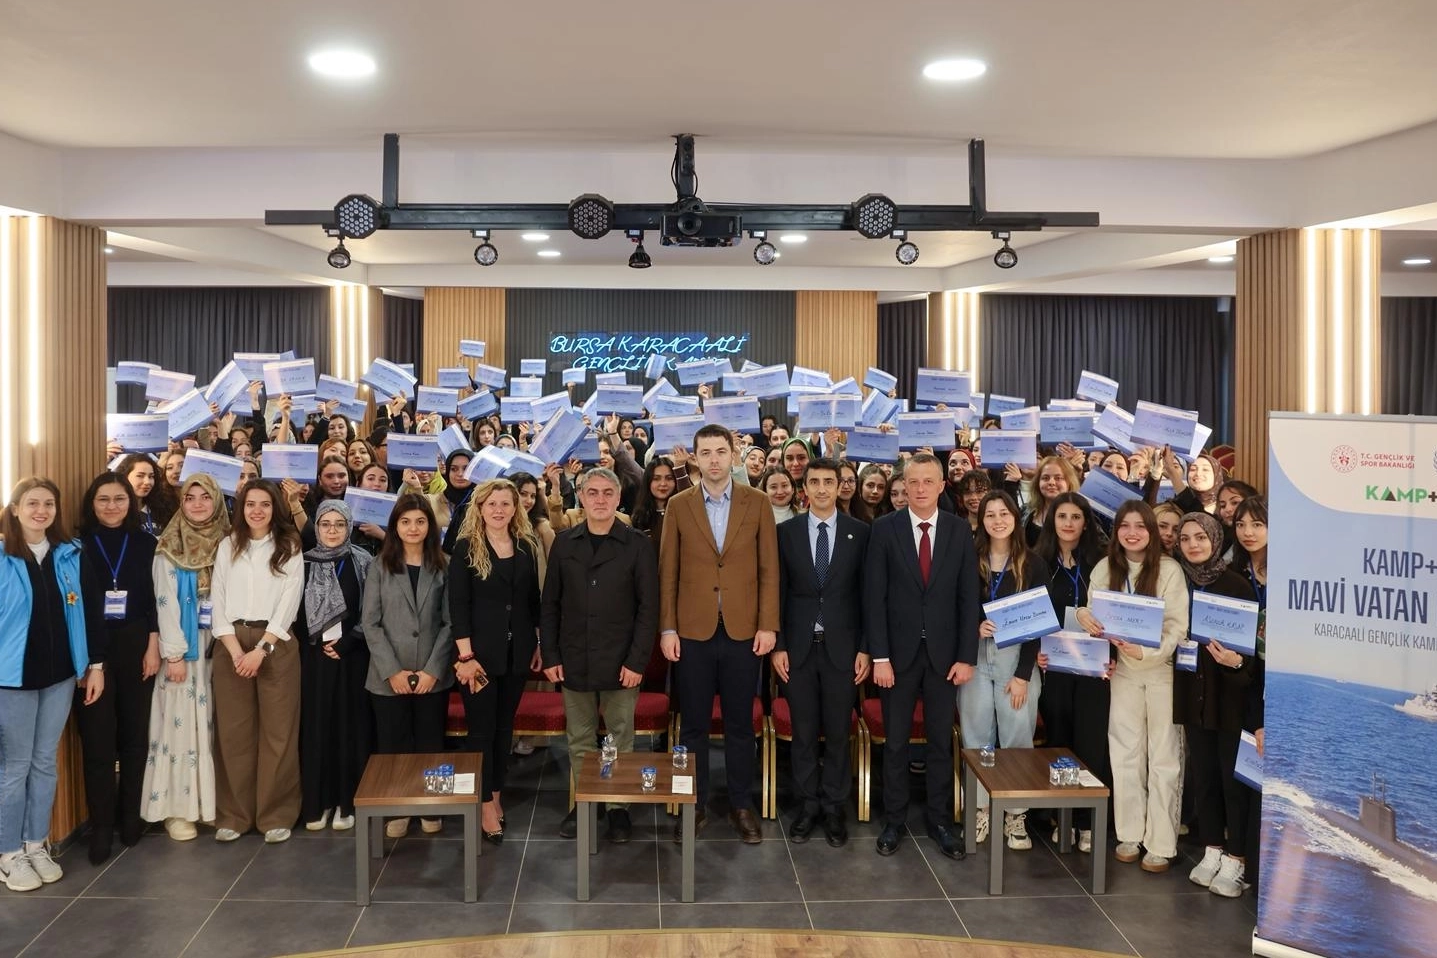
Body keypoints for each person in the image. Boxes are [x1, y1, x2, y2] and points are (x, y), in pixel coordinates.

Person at [659, 423, 780, 844]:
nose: (714, 460)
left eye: (721, 451)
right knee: (692, 725)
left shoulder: (757, 502)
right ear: (695, 458)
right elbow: (668, 572)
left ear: (733, 455)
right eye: (706, 452)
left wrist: (768, 624)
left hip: (744, 630)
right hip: (692, 631)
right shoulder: (679, 505)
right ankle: (692, 804)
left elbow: (769, 569)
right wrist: (668, 628)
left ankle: (741, 804)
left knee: (740, 725)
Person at [863, 453, 980, 860]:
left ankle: (940, 821)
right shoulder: (884, 528)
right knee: (895, 743)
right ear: (904, 485)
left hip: (945, 658)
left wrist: (966, 657)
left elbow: (968, 597)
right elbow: (874, 598)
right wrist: (879, 656)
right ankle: (894, 821)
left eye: (928, 481)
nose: (920, 489)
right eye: (913, 482)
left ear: (942, 485)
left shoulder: (958, 530)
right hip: (897, 657)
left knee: (939, 743)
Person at [542, 468, 659, 842]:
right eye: (592, 492)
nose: (600, 499)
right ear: (580, 496)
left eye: (608, 492)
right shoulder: (564, 543)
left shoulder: (637, 544)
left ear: (619, 498)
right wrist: (550, 655)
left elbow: (648, 609)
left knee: (620, 738)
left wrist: (637, 661)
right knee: (580, 738)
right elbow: (550, 604)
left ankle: (617, 806)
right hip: (574, 656)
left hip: (621, 659)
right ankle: (586, 801)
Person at [0, 478, 105, 893]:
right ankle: (9, 854)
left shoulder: (70, 554)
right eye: (32, 503)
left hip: (61, 675)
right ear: (15, 508)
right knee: (15, 767)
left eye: (48, 503)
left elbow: (92, 613)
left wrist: (95, 666)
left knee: (44, 762)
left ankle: (35, 843)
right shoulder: (3, 556)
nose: (40, 511)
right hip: (13, 679)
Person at [1076, 501, 1188, 874]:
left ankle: (1161, 842)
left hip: (1161, 672)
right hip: (1122, 671)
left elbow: (1177, 627)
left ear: (1152, 531)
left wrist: (1147, 651)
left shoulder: (1169, 570)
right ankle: (1129, 834)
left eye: (1141, 526)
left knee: (1164, 757)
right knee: (1124, 753)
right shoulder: (1105, 568)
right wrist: (1084, 616)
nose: (1132, 533)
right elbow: (1092, 613)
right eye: (1125, 525)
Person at [773, 458, 870, 848]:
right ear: (805, 489)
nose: (822, 489)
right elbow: (777, 593)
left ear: (839, 485)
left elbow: (868, 596)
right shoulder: (786, 533)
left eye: (829, 481)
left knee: (838, 733)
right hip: (797, 649)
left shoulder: (860, 532)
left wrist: (865, 649)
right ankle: (807, 805)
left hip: (843, 651)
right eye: (814, 482)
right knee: (803, 733)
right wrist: (778, 645)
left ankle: (833, 808)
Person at [209, 479, 305, 843]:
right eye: (250, 504)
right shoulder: (228, 545)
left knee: (278, 732)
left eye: (265, 504)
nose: (257, 511)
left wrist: (261, 649)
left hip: (275, 641)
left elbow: (289, 602)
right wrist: (236, 651)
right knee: (234, 732)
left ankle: (275, 814)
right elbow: (217, 599)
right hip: (232, 641)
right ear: (241, 507)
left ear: (275, 507)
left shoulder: (289, 545)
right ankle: (235, 815)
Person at [449, 479, 543, 844]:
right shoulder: (465, 547)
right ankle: (484, 802)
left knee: (505, 729)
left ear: (516, 508)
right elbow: (458, 606)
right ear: (480, 507)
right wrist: (465, 656)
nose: (499, 510)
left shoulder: (525, 545)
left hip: (517, 653)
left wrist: (537, 642)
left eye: (506, 503)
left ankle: (497, 792)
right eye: (492, 503)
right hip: (478, 658)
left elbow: (532, 601)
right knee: (481, 730)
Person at [76, 472, 160, 864]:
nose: (112, 506)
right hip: (92, 648)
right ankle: (101, 827)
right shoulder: (77, 546)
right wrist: (85, 659)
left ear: (131, 502)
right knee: (97, 741)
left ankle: (131, 817)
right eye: (103, 499)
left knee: (134, 736)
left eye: (119, 499)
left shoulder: (146, 543)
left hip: (136, 643)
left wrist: (153, 644)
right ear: (91, 504)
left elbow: (154, 599)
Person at [1173, 511, 1257, 899]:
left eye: (1200, 537)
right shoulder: (1177, 581)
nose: (1193, 545)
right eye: (1185, 538)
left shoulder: (1236, 584)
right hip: (1192, 694)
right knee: (1203, 776)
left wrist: (1236, 662)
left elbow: (1252, 654)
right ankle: (1212, 850)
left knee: (1231, 781)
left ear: (1215, 540)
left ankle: (1237, 858)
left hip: (1229, 698)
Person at [362, 494, 454, 839]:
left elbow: (450, 623)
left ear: (430, 525)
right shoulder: (379, 566)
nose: (413, 528)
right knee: (393, 744)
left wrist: (432, 670)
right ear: (395, 526)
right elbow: (370, 623)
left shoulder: (444, 564)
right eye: (405, 522)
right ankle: (398, 808)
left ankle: (433, 806)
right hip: (389, 675)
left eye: (420, 521)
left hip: (432, 673)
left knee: (431, 742)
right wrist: (392, 671)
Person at [143, 475, 228, 841]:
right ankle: (177, 810)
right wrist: (174, 654)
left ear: (217, 501)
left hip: (221, 646)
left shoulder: (228, 541)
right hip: (184, 649)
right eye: (190, 497)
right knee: (180, 729)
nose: (197, 504)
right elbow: (165, 603)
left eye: (205, 497)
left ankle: (208, 804)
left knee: (212, 728)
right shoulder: (169, 546)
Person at [964, 490, 1049, 850]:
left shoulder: (1033, 563)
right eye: (990, 514)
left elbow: (1038, 624)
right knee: (976, 737)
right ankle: (981, 809)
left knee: (1016, 738)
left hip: (1016, 659)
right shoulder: (969, 559)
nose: (998, 520)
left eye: (1004, 514)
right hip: (976, 656)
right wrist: (974, 625)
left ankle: (1016, 815)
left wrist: (1023, 675)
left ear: (1015, 518)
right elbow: (957, 605)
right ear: (981, 520)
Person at [1032, 491, 1110, 852]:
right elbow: (1032, 615)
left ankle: (1087, 821)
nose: (1068, 523)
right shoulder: (1038, 562)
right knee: (1060, 741)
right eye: (1061, 516)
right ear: (1052, 521)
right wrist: (1035, 652)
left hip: (1094, 669)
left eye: (1076, 517)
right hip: (1055, 667)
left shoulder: (1102, 563)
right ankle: (1061, 816)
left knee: (1091, 743)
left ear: (1086, 522)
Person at [296, 501, 373, 832]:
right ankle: (320, 802)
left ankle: (347, 801)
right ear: (316, 527)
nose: (332, 530)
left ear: (349, 527)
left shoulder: (363, 561)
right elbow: (291, 609)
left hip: (353, 656)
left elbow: (372, 609)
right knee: (317, 728)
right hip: (313, 658)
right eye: (325, 524)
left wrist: (348, 642)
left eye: (339, 524)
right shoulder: (302, 562)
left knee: (349, 728)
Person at [1230, 496, 1268, 889]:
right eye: (1241, 524)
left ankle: (1259, 866)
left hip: (1270, 680)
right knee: (1240, 773)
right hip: (1238, 678)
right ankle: (1239, 856)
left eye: (1257, 524)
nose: (1248, 532)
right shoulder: (1235, 572)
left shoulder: (1289, 573)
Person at [117, 454, 175, 537]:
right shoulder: (115, 512)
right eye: (140, 476)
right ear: (125, 477)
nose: (147, 482)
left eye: (151, 476)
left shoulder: (162, 508)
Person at [630, 457, 678, 545]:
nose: (663, 484)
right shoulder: (639, 517)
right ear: (648, 482)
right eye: (656, 479)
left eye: (669, 478)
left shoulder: (681, 513)